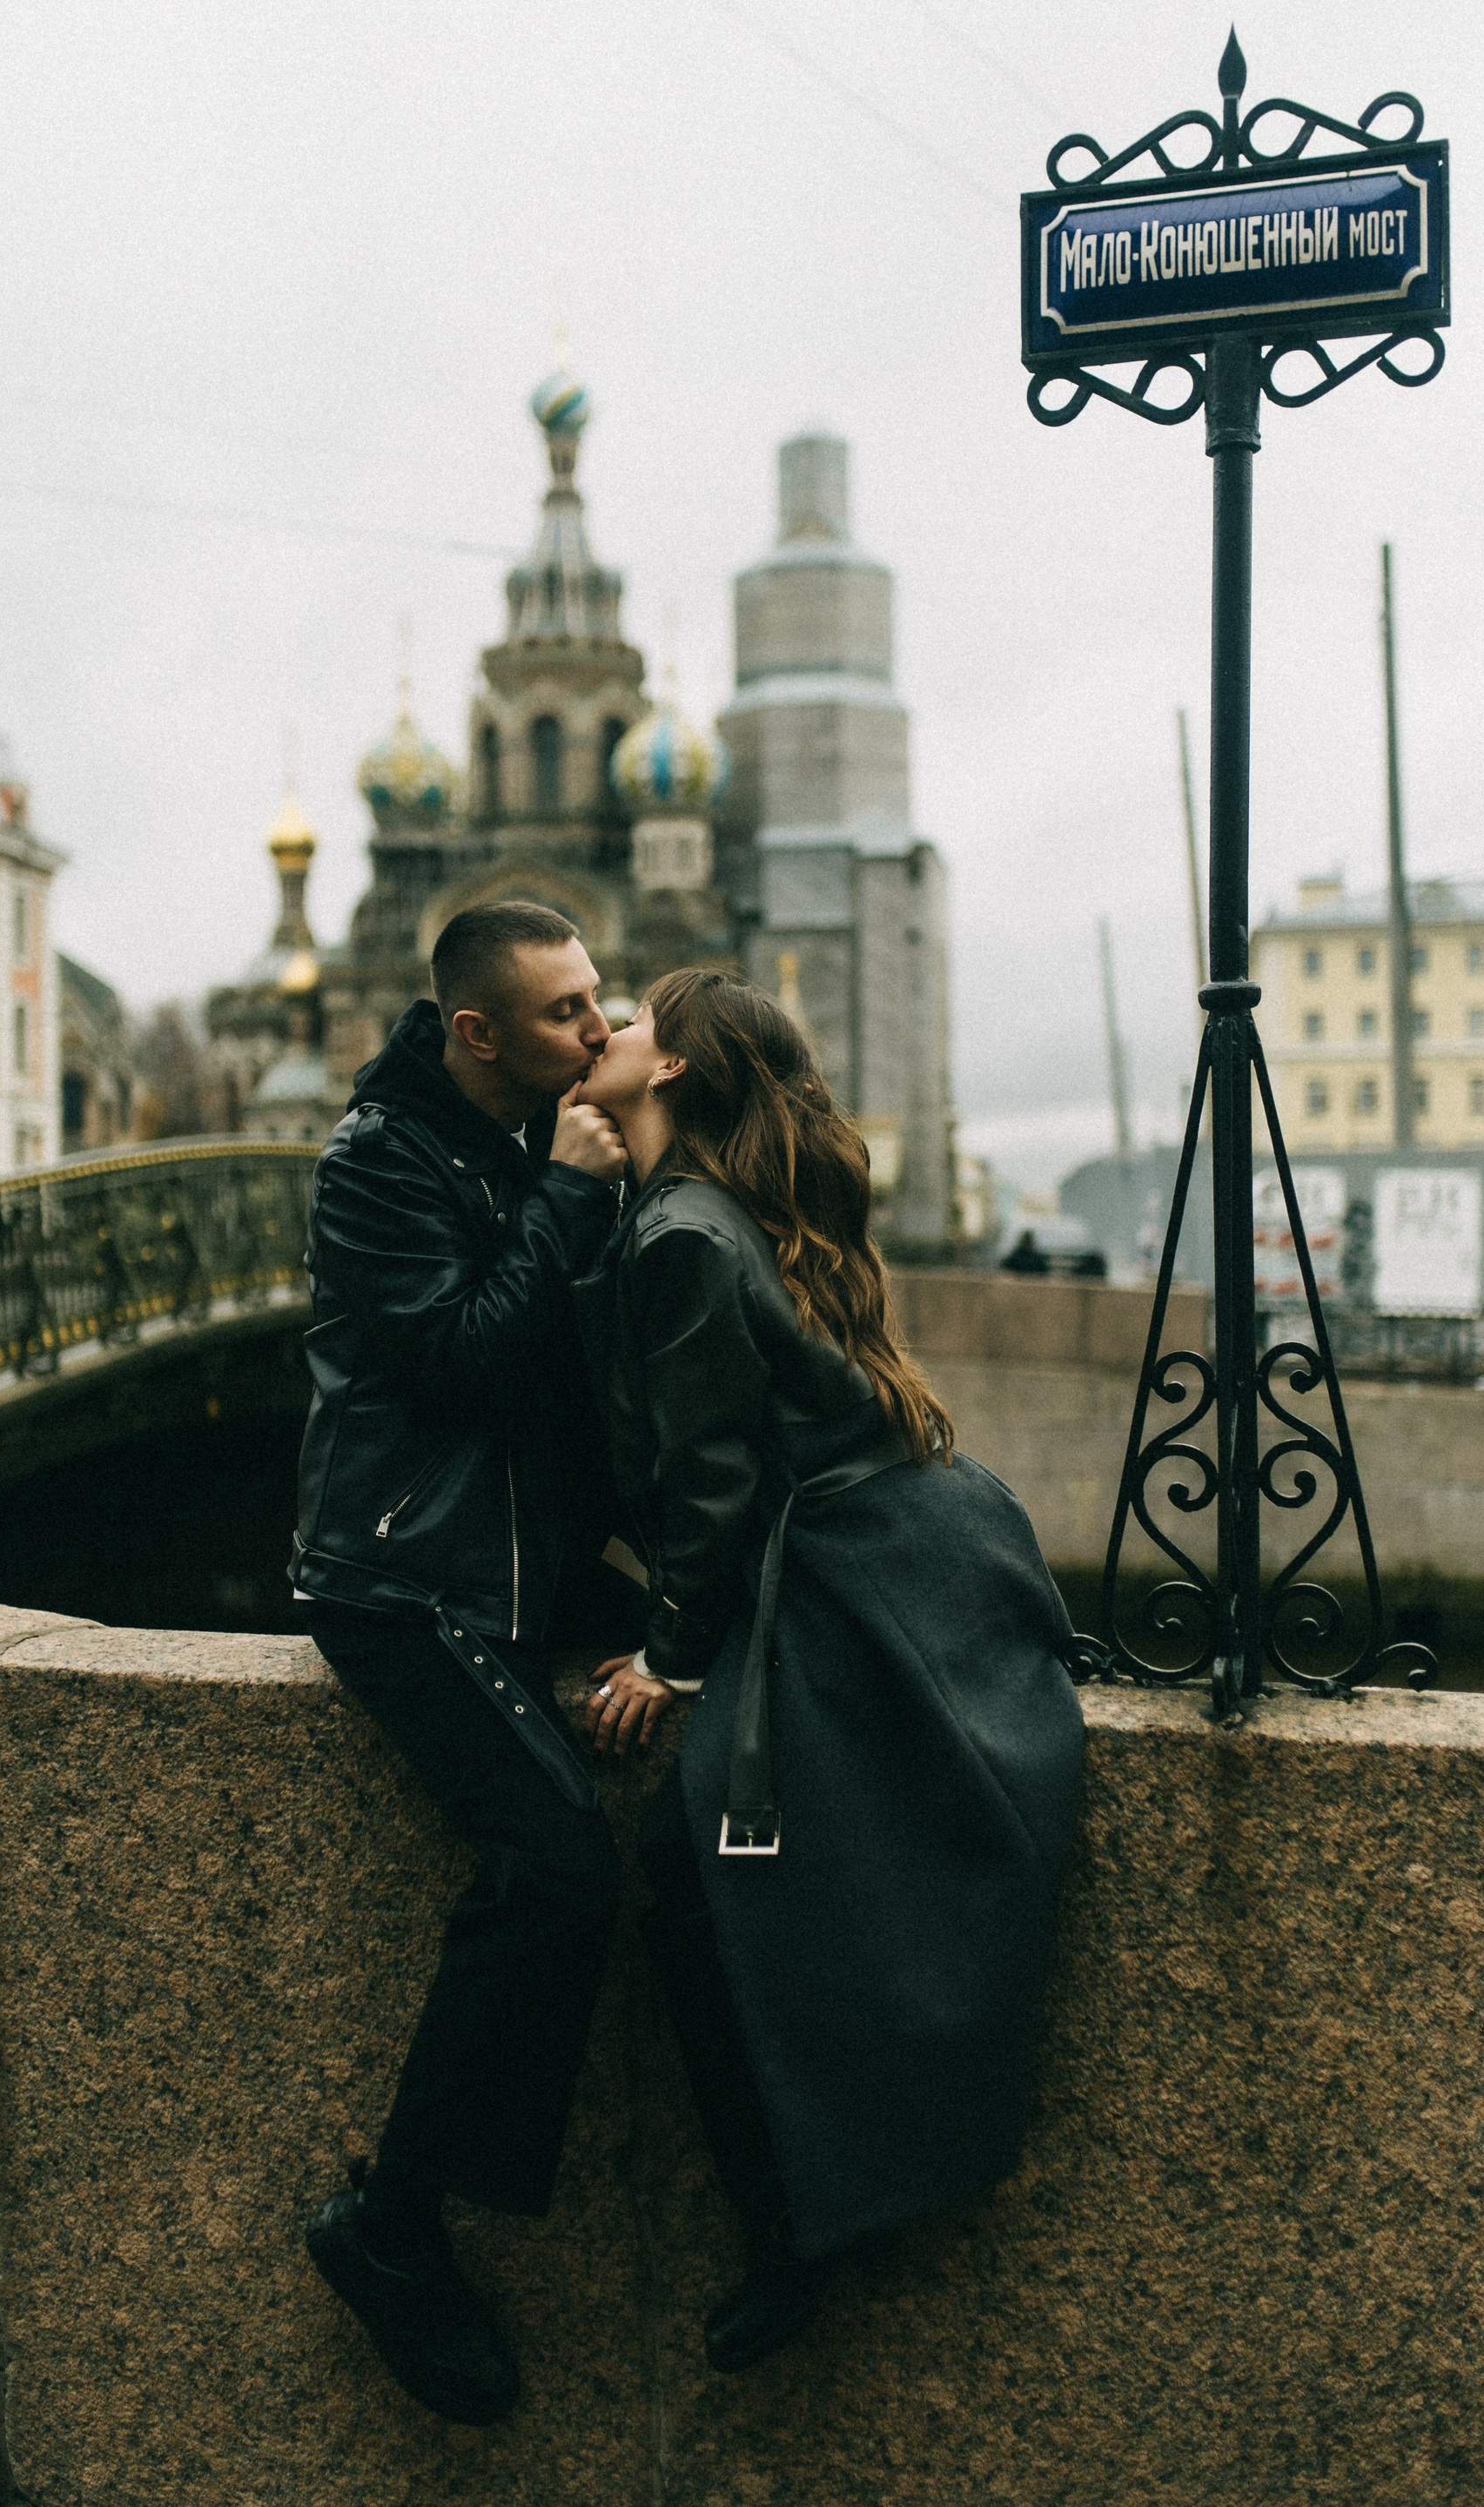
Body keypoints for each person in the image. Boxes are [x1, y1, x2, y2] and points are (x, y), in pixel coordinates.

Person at [571, 970, 1084, 2373]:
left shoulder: (682, 1233)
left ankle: (798, 2217)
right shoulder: (717, 1208)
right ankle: (840, 2188)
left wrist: (671, 1657)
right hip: (923, 1548)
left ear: (672, 1071)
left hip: (854, 1574)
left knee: (694, 1873)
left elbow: (713, 1480)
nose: (606, 1029)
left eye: (632, 1018)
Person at [291, 901, 630, 2426]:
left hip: (517, 1558)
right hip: (402, 1575)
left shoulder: (527, 1132)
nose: (598, 1031)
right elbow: (466, 1367)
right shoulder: (378, 1163)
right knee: (556, 1867)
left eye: (599, 1000)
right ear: (478, 1034)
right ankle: (393, 2224)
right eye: (567, 1013)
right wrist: (569, 1197)